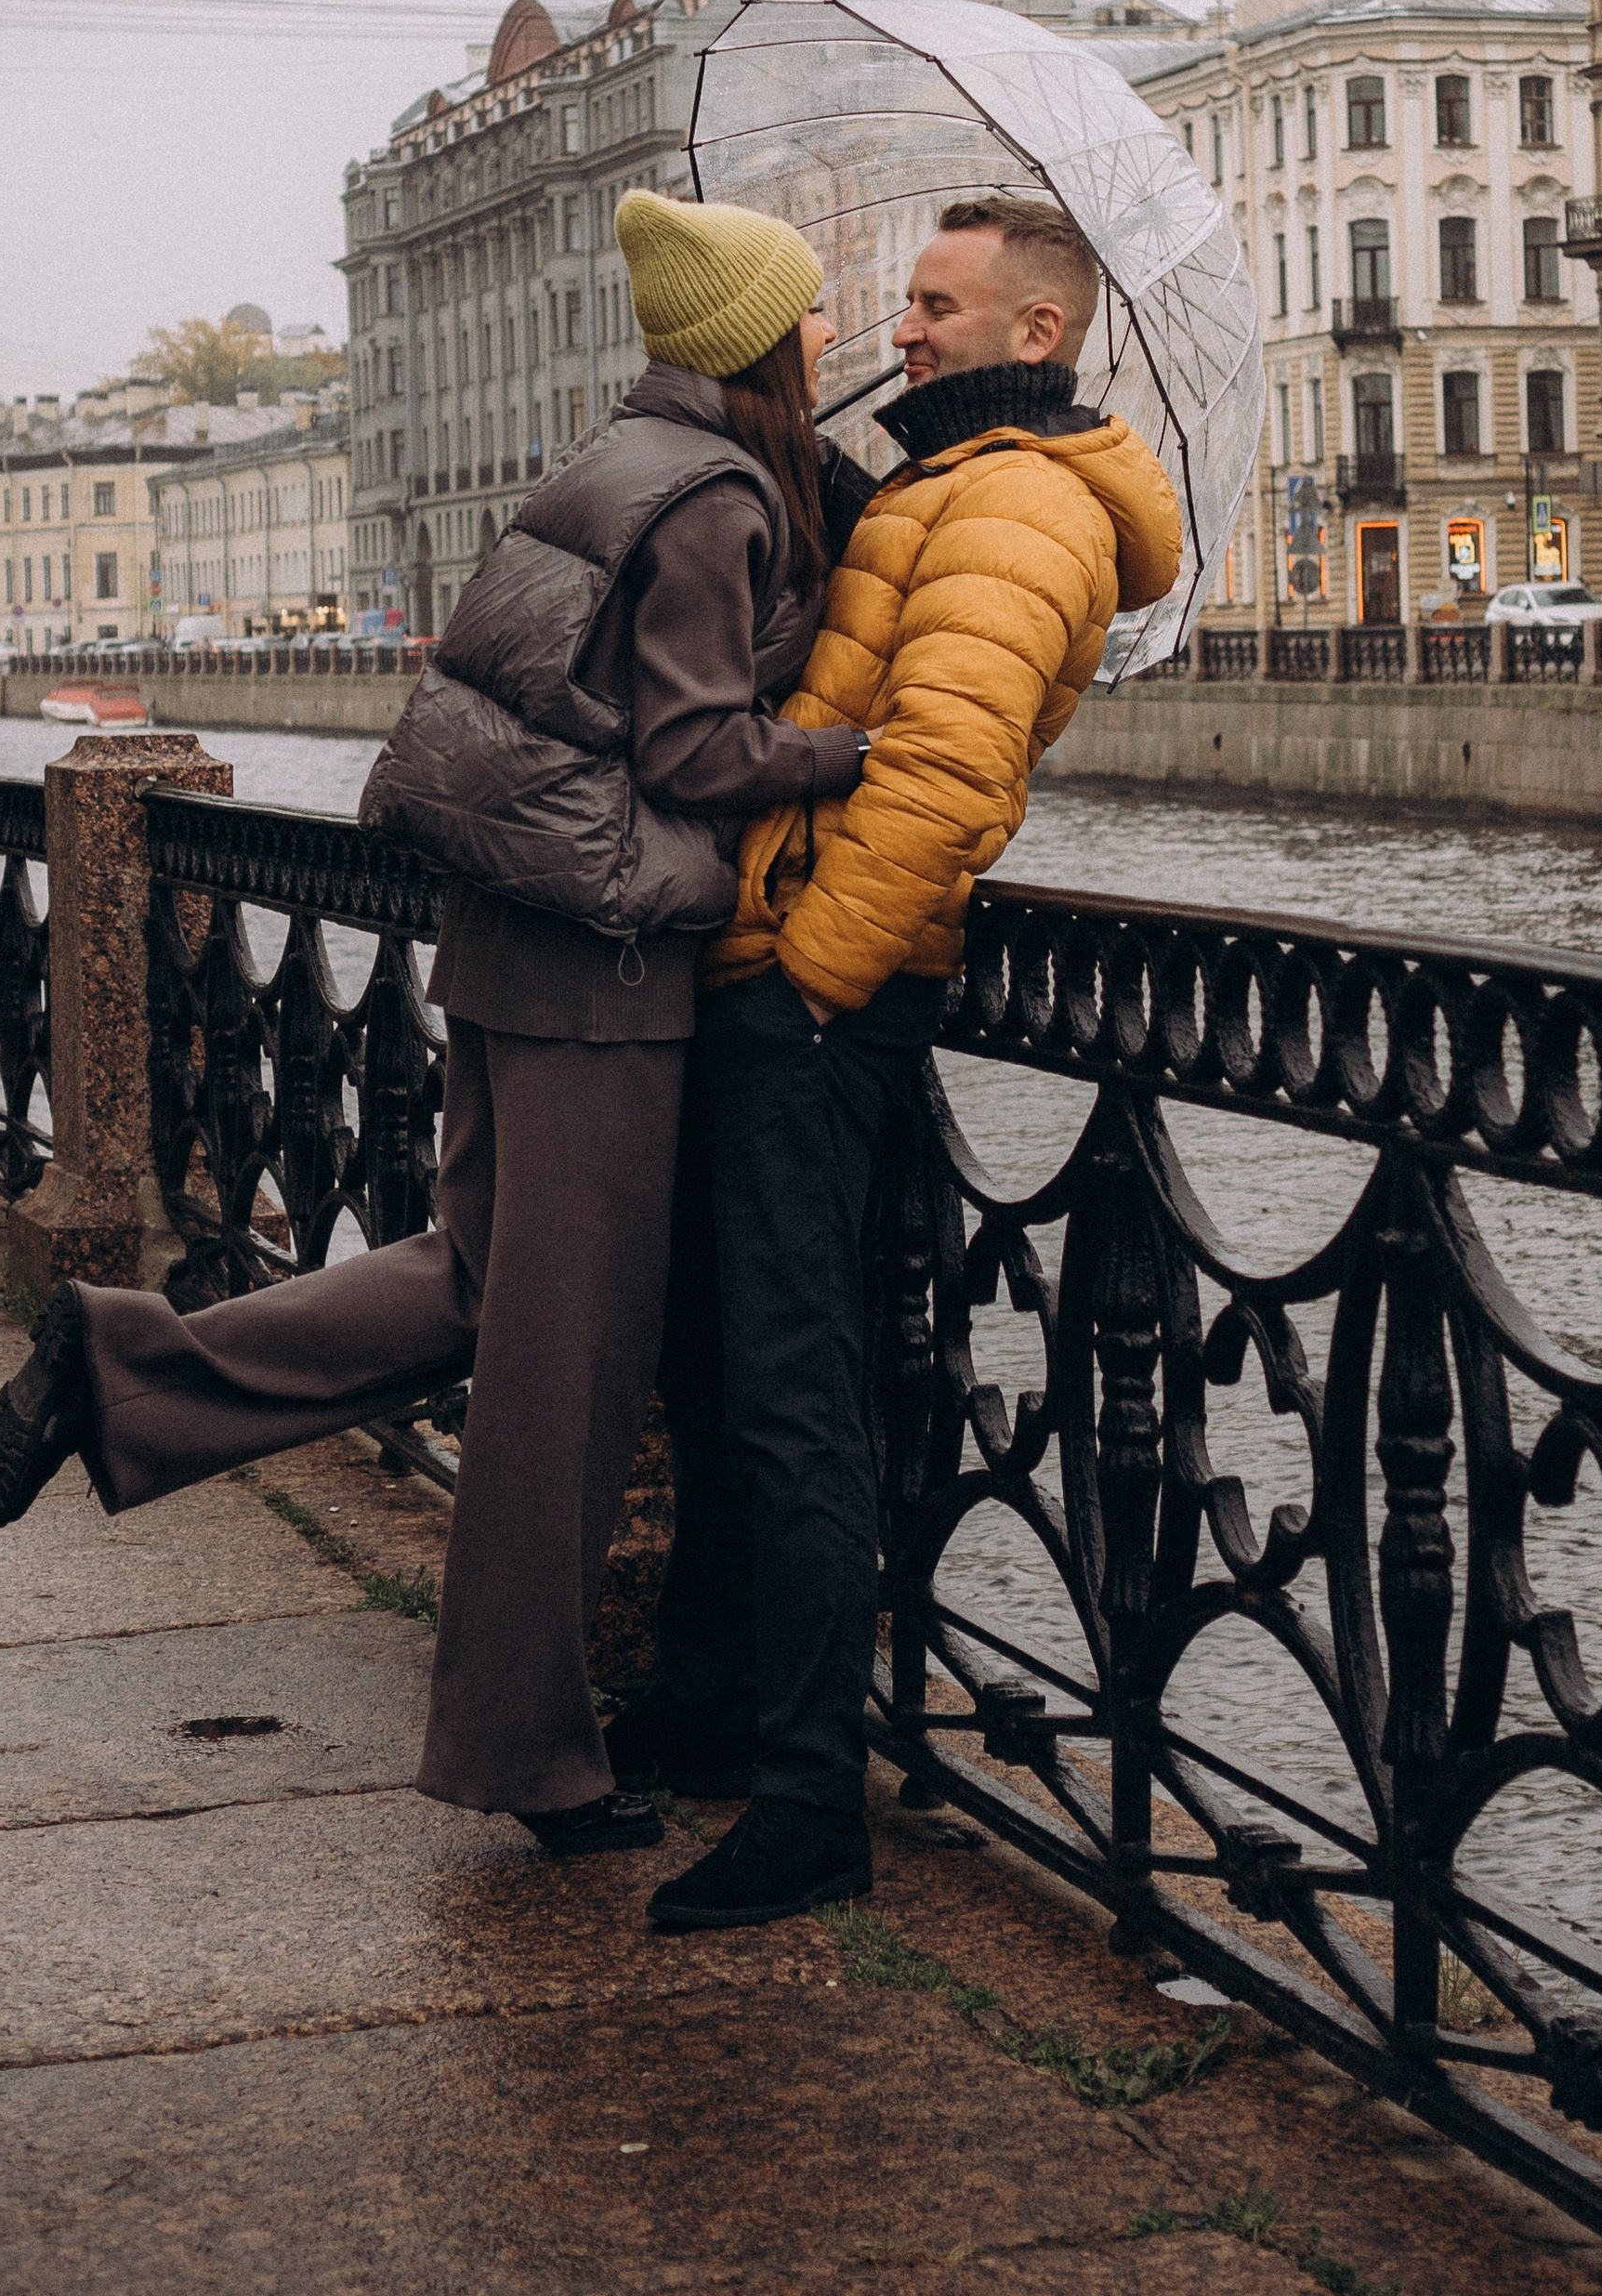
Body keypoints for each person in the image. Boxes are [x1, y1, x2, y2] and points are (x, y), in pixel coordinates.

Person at [0, 194, 870, 1856]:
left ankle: (120, 1367)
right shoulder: (721, 499)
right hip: (606, 975)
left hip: (501, 948)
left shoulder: (613, 457)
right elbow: (692, 754)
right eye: (814, 315)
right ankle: (528, 1752)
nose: (832, 338)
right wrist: (849, 746)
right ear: (760, 337)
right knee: (566, 1377)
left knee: (473, 1284)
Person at [633, 189, 1181, 1933]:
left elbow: (947, 780)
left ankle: (812, 1803)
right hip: (781, 977)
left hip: (818, 1001)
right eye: (907, 304)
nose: (904, 331)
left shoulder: (1022, 503)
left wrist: (804, 978)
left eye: (939, 307)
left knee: (797, 1394)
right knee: (728, 1360)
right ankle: (715, 1710)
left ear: (1039, 331)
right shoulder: (949, 483)